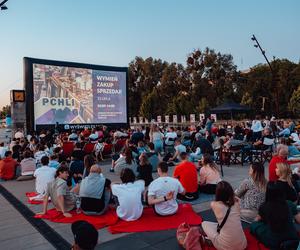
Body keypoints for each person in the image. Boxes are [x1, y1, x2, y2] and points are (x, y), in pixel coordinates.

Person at [250, 182, 300, 249]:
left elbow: (257, 220)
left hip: (274, 242)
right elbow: (299, 220)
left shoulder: (264, 206)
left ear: (268, 193)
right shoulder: (289, 204)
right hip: (292, 237)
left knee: (253, 225)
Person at [202, 181, 247, 250]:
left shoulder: (215, 205)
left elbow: (214, 203)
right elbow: (237, 199)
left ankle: (213, 241)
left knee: (204, 224)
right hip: (243, 244)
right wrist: (233, 197)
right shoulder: (237, 203)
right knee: (219, 225)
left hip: (227, 247)